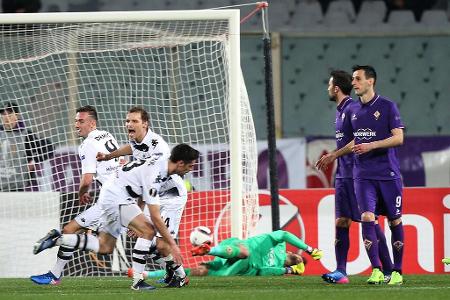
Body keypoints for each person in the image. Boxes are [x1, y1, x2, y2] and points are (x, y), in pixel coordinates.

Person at [33, 143, 199, 291]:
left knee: (105, 247)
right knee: (148, 231)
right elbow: (155, 217)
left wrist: (137, 216)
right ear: (180, 163)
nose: (191, 169)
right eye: (190, 166)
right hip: (118, 197)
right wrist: (173, 245)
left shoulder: (161, 161)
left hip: (112, 194)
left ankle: (60, 239)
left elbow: (142, 190)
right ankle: (138, 281)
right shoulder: (157, 175)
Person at [321, 65, 405, 285]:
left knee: (383, 220)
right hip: (354, 174)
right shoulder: (347, 111)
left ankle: (392, 269)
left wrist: (367, 146)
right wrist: (335, 156)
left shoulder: (374, 107)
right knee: (356, 219)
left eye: (358, 79)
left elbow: (392, 138)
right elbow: (355, 140)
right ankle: (355, 270)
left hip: (372, 172)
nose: (354, 82)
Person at [97, 106, 189, 286]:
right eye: (127, 121)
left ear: (145, 124)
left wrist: (137, 210)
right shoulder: (137, 140)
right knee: (145, 234)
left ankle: (180, 276)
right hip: (152, 196)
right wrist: (108, 156)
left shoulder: (159, 148)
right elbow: (130, 149)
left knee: (161, 244)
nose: (129, 124)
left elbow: (148, 182)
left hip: (171, 196)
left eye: (134, 121)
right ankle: (173, 273)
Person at [30, 105, 120, 285]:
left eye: (81, 121)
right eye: (76, 120)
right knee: (71, 230)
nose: (76, 124)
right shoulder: (107, 135)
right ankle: (54, 274)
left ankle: (56, 241)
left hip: (114, 200)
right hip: (114, 197)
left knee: (114, 243)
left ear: (92, 123)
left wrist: (81, 194)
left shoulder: (87, 145)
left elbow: (86, 180)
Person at [129, 230, 322, 278]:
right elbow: (284, 234)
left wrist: (289, 271)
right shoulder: (279, 246)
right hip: (238, 246)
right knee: (244, 252)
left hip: (238, 266)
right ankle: (210, 249)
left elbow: (263, 272)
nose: (297, 259)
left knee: (200, 272)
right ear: (291, 251)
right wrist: (309, 249)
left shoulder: (279, 268)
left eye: (299, 261)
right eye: (297, 256)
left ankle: (147, 274)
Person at [0, 102, 54, 191]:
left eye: (9, 113)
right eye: (3, 114)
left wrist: (33, 162)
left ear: (17, 116)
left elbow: (49, 147)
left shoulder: (26, 135)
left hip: (19, 186)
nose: (6, 117)